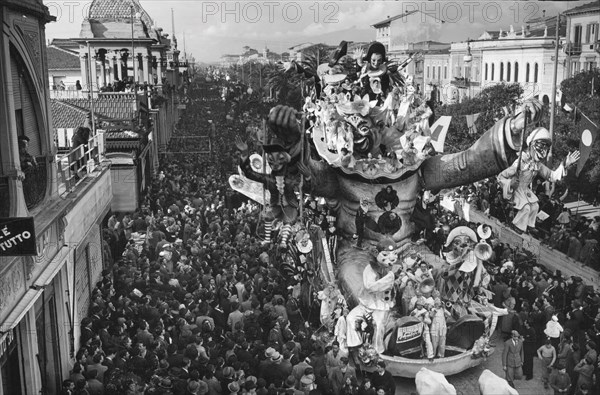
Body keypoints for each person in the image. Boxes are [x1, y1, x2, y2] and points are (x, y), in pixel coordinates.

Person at [498, 127, 580, 234]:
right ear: (532, 144)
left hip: (524, 189)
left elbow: (552, 176)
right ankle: (517, 225)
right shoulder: (520, 162)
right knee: (526, 208)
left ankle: (529, 224)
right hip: (515, 188)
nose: (543, 150)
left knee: (535, 205)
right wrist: (509, 184)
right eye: (541, 145)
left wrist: (565, 164)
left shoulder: (538, 165)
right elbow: (501, 177)